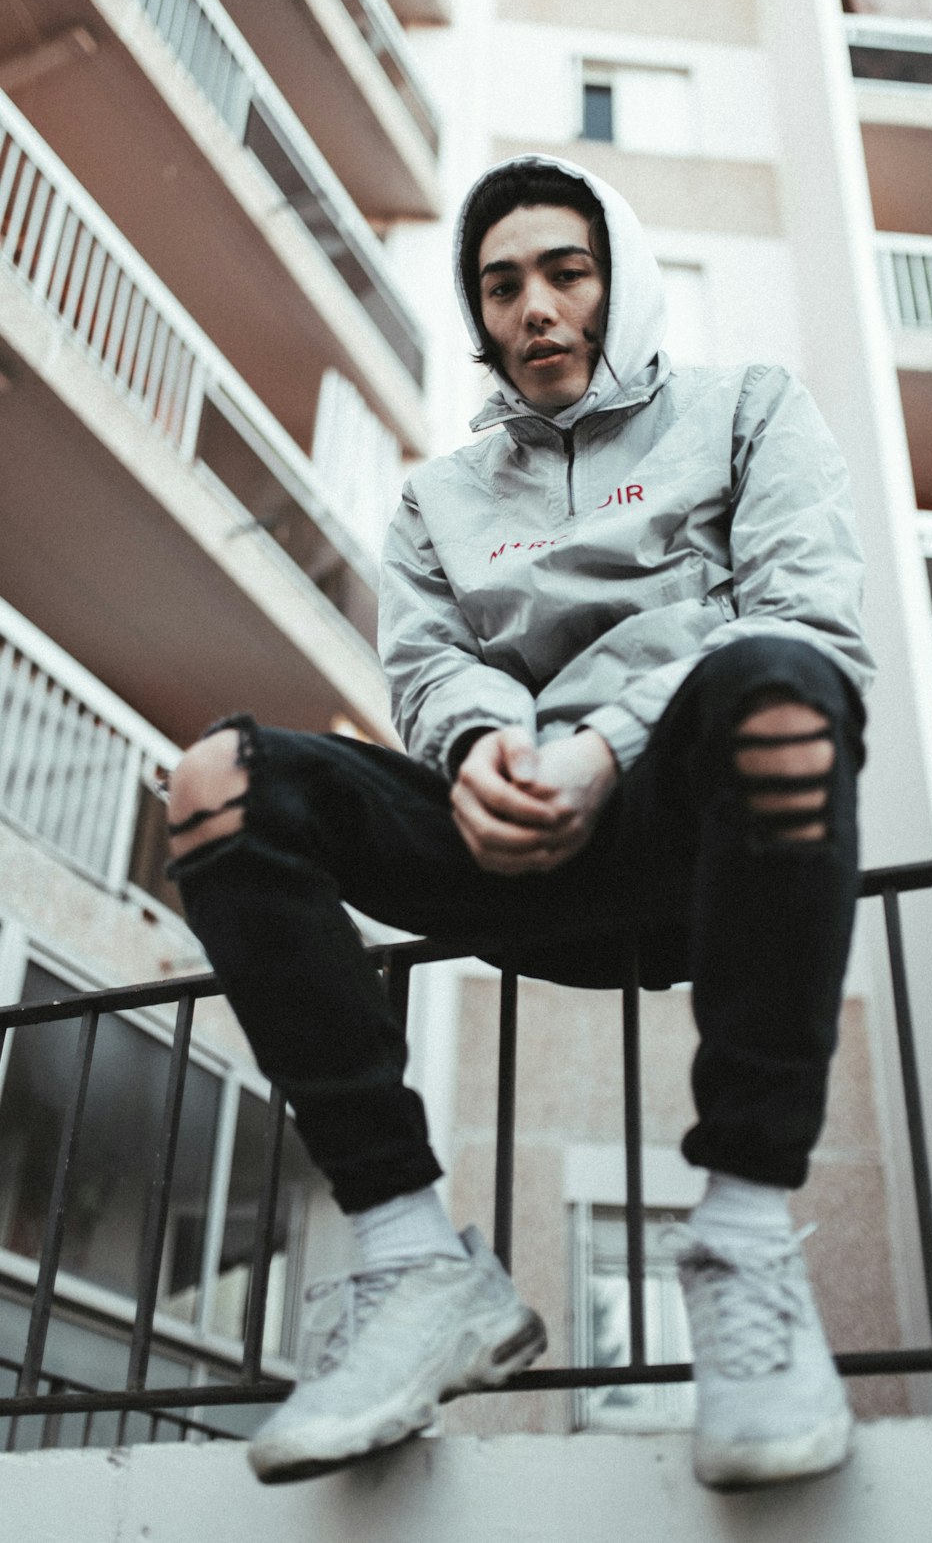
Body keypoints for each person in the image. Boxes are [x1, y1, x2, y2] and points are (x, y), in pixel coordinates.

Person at [166, 153, 874, 1490]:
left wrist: (610, 745)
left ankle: (741, 1242)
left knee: (785, 688)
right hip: (507, 838)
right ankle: (409, 1257)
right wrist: (488, 746)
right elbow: (431, 669)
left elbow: (805, 615)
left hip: (690, 833)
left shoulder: (746, 412)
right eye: (502, 286)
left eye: (567, 270)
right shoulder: (440, 498)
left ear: (625, 278)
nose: (535, 307)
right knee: (217, 781)